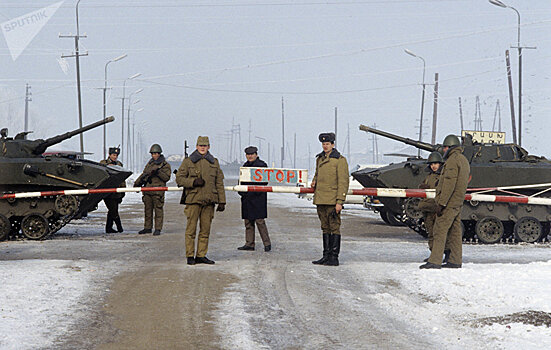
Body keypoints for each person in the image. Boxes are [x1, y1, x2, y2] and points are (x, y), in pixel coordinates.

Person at [420, 135, 470, 269]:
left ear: (450, 147)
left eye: (445, 147)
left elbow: (449, 183)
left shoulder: (452, 161)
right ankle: (455, 260)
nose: (444, 150)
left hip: (449, 202)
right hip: (458, 201)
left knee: (439, 229)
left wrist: (441, 203)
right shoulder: (463, 160)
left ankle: (435, 261)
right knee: (455, 231)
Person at [176, 136, 226, 265]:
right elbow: (179, 179)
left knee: (205, 230)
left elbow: (219, 182)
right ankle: (190, 255)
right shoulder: (188, 162)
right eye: (200, 145)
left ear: (209, 147)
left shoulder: (214, 162)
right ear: (196, 146)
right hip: (193, 200)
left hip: (209, 201)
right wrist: (193, 182)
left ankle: (201, 255)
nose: (203, 148)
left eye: (205, 145)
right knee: (191, 230)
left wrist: (222, 201)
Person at [310, 132, 349, 266]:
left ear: (333, 144)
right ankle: (326, 256)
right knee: (325, 228)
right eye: (323, 144)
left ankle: (334, 257)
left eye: (327, 144)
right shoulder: (320, 159)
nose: (325, 146)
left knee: (334, 228)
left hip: (332, 200)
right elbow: (317, 173)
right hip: (321, 199)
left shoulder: (340, 160)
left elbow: (343, 182)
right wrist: (314, 181)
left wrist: (339, 201)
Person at [237, 146, 271, 252]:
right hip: (247, 198)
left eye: (252, 154)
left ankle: (267, 243)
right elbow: (241, 181)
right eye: (248, 155)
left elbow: (265, 182)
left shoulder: (262, 165)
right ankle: (249, 243)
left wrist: (253, 191)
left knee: (260, 221)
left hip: (257, 198)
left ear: (256, 154)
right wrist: (241, 191)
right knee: (248, 222)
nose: (250, 156)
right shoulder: (245, 166)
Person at [417, 151, 449, 262]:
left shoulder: (443, 176)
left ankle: (442, 254)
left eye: (435, 163)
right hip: (428, 209)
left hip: (436, 208)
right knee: (431, 233)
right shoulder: (429, 176)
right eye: (431, 164)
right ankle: (433, 254)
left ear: (440, 164)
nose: (433, 166)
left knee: (439, 234)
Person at [134, 144, 171, 236]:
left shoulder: (165, 165)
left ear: (159, 154)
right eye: (153, 153)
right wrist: (136, 184)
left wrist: (158, 172)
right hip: (147, 191)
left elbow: (166, 177)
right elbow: (144, 174)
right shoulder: (149, 164)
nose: (154, 155)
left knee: (158, 210)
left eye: (156, 153)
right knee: (148, 210)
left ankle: (158, 228)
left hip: (158, 191)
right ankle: (147, 227)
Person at [100, 147, 125, 233]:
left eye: (116, 155)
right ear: (109, 155)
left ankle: (109, 228)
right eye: (113, 155)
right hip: (107, 192)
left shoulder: (119, 164)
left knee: (112, 210)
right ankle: (119, 227)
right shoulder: (103, 163)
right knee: (113, 210)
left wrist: (123, 191)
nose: (115, 157)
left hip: (116, 191)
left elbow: (122, 179)